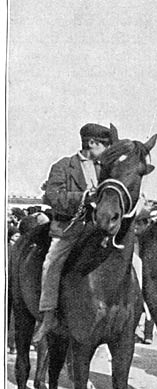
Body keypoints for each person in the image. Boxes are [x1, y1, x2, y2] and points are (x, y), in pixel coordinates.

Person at [32, 123, 114, 345]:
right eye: (106, 145)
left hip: (97, 231)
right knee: (52, 261)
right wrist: (84, 197)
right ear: (92, 143)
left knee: (133, 261)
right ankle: (48, 315)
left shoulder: (105, 169)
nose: (108, 150)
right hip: (69, 230)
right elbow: (53, 197)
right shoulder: (63, 166)